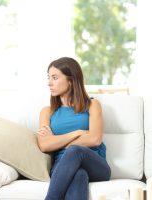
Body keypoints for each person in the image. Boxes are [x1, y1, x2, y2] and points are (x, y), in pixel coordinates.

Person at [37, 57, 111, 200]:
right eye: (48, 78)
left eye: (55, 78)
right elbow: (44, 145)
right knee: (79, 174)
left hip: (96, 165)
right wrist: (76, 134)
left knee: (75, 151)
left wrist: (56, 141)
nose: (49, 83)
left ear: (71, 80)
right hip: (61, 168)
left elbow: (95, 139)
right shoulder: (47, 111)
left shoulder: (92, 105)